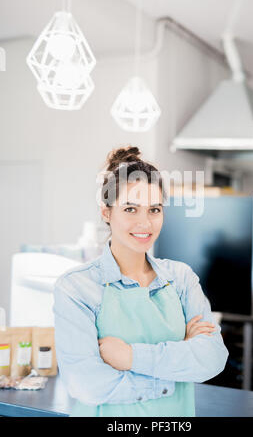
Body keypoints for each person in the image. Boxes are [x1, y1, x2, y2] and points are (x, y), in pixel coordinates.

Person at [53, 145, 229, 417]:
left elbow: (213, 358)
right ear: (106, 213)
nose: (145, 223)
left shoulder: (181, 278)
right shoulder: (77, 288)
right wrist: (179, 359)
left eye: (154, 210)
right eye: (131, 209)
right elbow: (87, 384)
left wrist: (129, 357)